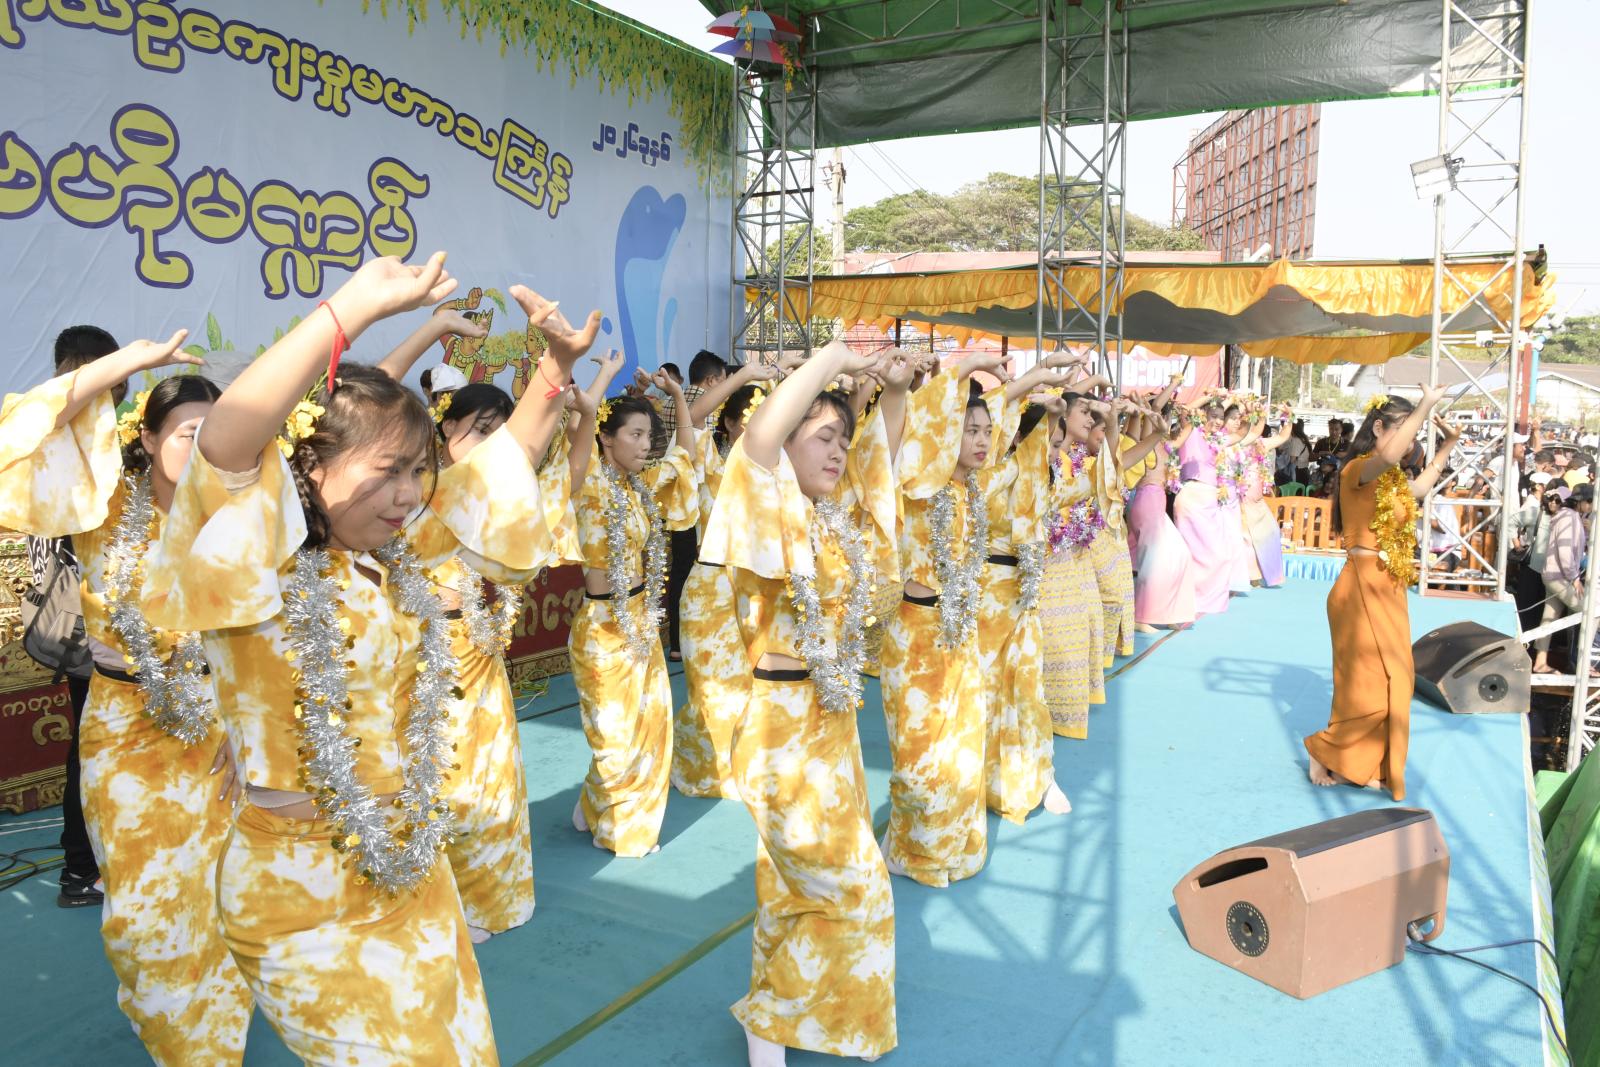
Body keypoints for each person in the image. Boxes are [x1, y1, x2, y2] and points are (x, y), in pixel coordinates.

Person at [142, 255, 595, 1063]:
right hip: (296, 891)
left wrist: (554, 371)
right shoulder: (257, 555)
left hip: (413, 867)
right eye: (387, 470)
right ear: (309, 467)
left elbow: (501, 470)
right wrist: (350, 309)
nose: (408, 492)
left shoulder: (397, 556)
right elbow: (227, 439)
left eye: (418, 471)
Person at [0, 338, 254, 1064]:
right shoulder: (104, 506)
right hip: (124, 732)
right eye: (185, 432)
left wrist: (249, 731)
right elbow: (21, 439)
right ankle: (169, 1019)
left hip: (217, 728)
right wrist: (119, 366)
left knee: (215, 891)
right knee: (144, 914)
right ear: (144, 439)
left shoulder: (237, 512)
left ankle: (210, 1043)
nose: (202, 448)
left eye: (214, 434)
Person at [701, 339, 908, 1067]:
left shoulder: (832, 521)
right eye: (822, 436)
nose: (838, 451)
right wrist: (835, 356)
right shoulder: (770, 509)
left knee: (795, 889)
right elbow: (758, 441)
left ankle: (789, 1017)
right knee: (857, 887)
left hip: (832, 727)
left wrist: (893, 391)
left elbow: (882, 464)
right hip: (779, 734)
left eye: (842, 440)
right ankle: (772, 1015)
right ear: (787, 439)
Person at [567, 370, 699, 856]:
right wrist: (598, 383)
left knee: (651, 727)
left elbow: (685, 456)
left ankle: (597, 803)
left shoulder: (639, 486)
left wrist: (678, 396)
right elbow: (576, 439)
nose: (646, 445)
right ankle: (621, 828)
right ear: (606, 438)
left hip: (641, 622)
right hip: (603, 627)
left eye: (648, 435)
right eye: (636, 435)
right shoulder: (587, 482)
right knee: (617, 734)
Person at [1305, 388, 1453, 800]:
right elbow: (1387, 456)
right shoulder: (1358, 469)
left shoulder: (1391, 481)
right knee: (1363, 683)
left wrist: (1448, 446)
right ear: (1378, 428)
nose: (1409, 440)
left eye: (1412, 432)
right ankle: (1326, 752)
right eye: (1403, 429)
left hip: (1389, 587)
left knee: (1396, 681)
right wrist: (1424, 406)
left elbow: (1420, 488)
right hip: (1359, 586)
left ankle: (1365, 764)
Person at [672, 362, 781, 798]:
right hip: (709, 589)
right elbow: (693, 417)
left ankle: (742, 769)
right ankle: (702, 771)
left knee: (751, 690)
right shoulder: (710, 462)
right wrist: (745, 375)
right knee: (711, 692)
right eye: (750, 423)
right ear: (731, 424)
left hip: (755, 593)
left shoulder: (776, 474)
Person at [1040, 376, 1112, 739]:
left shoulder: (1071, 461)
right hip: (1041, 565)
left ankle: (1062, 715)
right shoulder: (1033, 464)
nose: (1090, 418)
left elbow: (1106, 476)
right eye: (1083, 411)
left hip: (1068, 556)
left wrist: (1112, 421)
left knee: (1084, 629)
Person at [1172, 396, 1251, 615]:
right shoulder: (1192, 432)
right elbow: (1185, 410)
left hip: (1209, 501)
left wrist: (1249, 412)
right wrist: (1209, 396)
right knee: (1201, 555)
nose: (1218, 421)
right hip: (1193, 497)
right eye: (1213, 416)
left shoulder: (1217, 439)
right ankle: (1187, 602)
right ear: (1203, 415)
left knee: (1218, 556)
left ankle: (1197, 602)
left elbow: (1241, 434)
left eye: (1220, 417)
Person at [1532, 484, 1594, 676]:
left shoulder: (1566, 516)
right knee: (1591, 614)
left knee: (1549, 620)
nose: (1592, 507)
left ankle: (1540, 662)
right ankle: (1584, 663)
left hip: (1553, 574)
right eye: (1590, 502)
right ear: (1583, 502)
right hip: (1561, 576)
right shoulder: (1570, 518)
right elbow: (1565, 551)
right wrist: (1574, 578)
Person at [1240, 403, 1295, 588]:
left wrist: (1288, 417)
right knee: (1246, 538)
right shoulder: (1235, 445)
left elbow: (1283, 436)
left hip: (1257, 501)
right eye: (1246, 419)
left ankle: (1267, 575)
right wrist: (1259, 414)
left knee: (1271, 532)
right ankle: (1250, 577)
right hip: (1240, 500)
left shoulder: (1261, 444)